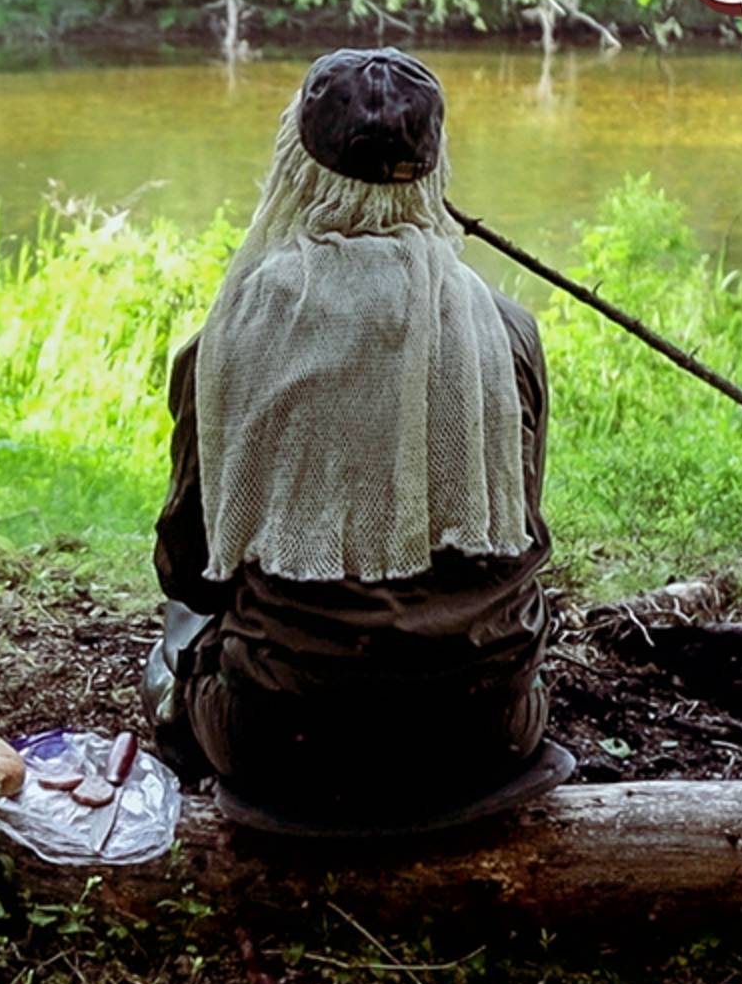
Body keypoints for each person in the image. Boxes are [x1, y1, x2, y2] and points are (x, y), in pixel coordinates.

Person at [142, 47, 571, 835]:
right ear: (434, 168)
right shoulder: (508, 330)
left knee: (177, 635)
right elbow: (521, 539)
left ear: (297, 164)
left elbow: (190, 566)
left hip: (283, 738)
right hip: (486, 730)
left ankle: (192, 724)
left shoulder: (228, 337)